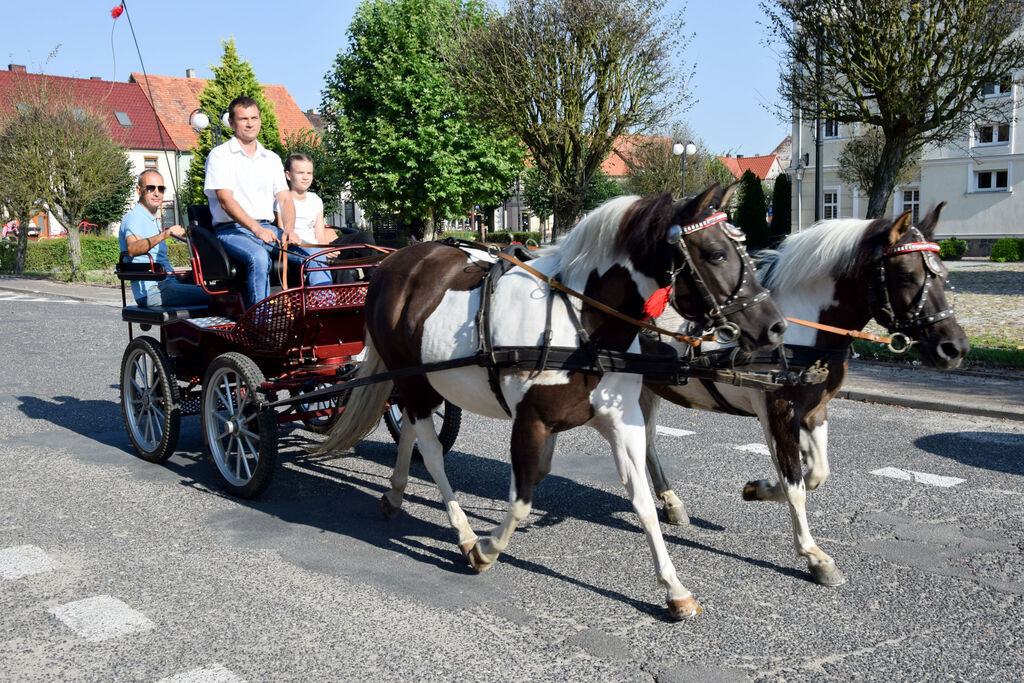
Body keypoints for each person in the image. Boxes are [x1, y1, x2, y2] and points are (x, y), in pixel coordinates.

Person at [204, 95, 329, 309]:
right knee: (259, 258)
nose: (250, 123)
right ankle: (260, 321)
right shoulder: (220, 156)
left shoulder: (271, 158)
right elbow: (225, 201)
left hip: (267, 228)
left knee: (315, 255)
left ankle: (323, 310)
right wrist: (256, 229)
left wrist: (288, 229)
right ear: (232, 123)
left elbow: (284, 197)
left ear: (260, 120)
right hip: (231, 230)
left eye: (254, 117)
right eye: (243, 119)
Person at [118, 170, 209, 308]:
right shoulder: (134, 217)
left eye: (161, 189)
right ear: (138, 190)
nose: (156, 193)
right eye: (150, 188)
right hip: (153, 290)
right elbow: (132, 248)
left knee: (221, 287)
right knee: (217, 297)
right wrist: (165, 234)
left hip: (167, 283)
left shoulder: (151, 220)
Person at [274, 153, 331, 281]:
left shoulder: (315, 199)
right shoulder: (281, 200)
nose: (305, 177)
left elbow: (320, 234)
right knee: (318, 257)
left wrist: (325, 249)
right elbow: (282, 231)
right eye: (300, 173)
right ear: (288, 175)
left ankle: (373, 288)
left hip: (316, 247)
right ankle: (324, 300)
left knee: (363, 239)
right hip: (297, 248)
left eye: (309, 173)